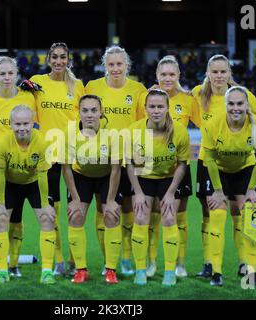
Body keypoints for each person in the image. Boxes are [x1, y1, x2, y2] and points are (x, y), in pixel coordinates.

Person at [191, 54, 256, 279]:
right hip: (209, 161)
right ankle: (209, 263)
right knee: (210, 211)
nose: (218, 76)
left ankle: (244, 263)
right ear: (208, 73)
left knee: (239, 211)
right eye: (214, 71)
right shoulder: (198, 93)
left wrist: (249, 138)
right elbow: (177, 98)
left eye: (223, 71)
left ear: (229, 73)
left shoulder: (241, 95)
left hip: (240, 163)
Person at [85, 45, 147, 276]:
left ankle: (127, 258)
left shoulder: (138, 89)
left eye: (120, 64)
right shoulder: (93, 87)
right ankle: (106, 260)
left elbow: (143, 126)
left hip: (128, 160)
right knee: (104, 210)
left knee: (129, 208)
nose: (115, 68)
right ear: (105, 66)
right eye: (111, 64)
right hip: (101, 159)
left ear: (127, 66)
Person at [139, 55, 200, 279]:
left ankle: (180, 263)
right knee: (154, 215)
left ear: (179, 76)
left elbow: (206, 123)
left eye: (171, 74)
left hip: (178, 168)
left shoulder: (188, 100)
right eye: (163, 74)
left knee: (178, 216)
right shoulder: (147, 97)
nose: (167, 78)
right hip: (151, 167)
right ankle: (151, 262)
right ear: (157, 75)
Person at [0, 56, 37, 278]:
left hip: (20, 166)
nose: (7, 77)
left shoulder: (28, 97)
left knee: (16, 219)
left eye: (10, 73)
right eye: (2, 73)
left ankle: (13, 265)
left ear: (16, 74)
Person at [30, 42, 85, 276]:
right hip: (48, 156)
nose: (59, 61)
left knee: (76, 209)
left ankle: (75, 261)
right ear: (48, 59)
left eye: (63, 57)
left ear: (68, 60)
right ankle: (59, 260)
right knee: (52, 211)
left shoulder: (78, 85)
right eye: (54, 57)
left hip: (74, 155)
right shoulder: (37, 82)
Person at [126, 89, 190, 286]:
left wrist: (170, 193)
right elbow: (129, 163)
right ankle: (140, 270)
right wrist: (137, 193)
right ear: (145, 108)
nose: (156, 111)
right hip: (143, 177)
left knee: (170, 217)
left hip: (169, 178)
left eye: (160, 106)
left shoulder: (179, 131)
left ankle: (170, 271)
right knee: (140, 216)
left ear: (167, 108)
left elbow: (182, 164)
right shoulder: (134, 130)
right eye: (152, 106)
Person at [0, 105, 57, 284]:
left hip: (34, 183)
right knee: (0, 220)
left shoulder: (42, 142)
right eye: (18, 123)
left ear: (33, 123)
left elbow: (43, 175)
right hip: (9, 184)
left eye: (26, 123)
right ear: (11, 124)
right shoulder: (3, 143)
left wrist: (45, 204)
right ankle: (2, 271)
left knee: (47, 219)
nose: (22, 127)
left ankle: (46, 271)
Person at [61, 95, 122, 284]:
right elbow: (67, 168)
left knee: (111, 215)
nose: (89, 115)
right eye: (85, 110)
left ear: (101, 112)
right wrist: (76, 199)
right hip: (81, 177)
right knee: (76, 215)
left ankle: (111, 269)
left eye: (94, 110)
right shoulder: (69, 132)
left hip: (106, 177)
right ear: (78, 112)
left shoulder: (112, 134)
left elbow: (116, 169)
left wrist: (110, 201)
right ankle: (81, 269)